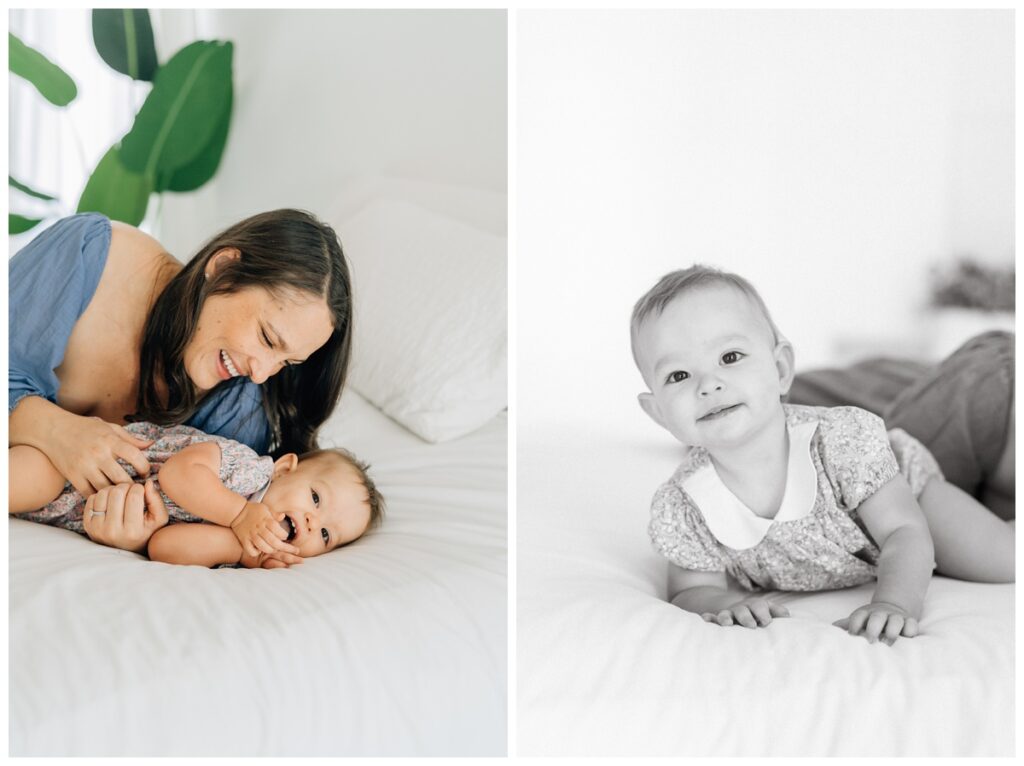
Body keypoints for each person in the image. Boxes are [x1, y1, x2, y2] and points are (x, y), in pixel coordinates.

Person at [630, 265, 1015, 646]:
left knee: (1004, 559)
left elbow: (904, 531)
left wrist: (894, 603)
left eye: (730, 357)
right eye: (678, 376)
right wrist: (722, 602)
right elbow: (690, 589)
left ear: (780, 369)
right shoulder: (685, 505)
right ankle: (994, 493)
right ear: (659, 413)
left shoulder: (838, 442)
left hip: (908, 498)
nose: (708, 384)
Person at [8, 210, 352, 556]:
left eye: (286, 363)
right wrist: (57, 430)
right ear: (223, 268)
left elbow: (195, 530)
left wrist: (136, 537)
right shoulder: (91, 254)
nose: (260, 373)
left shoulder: (236, 415)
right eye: (266, 337)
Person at [9, 421, 384, 568]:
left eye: (325, 535)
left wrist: (240, 548)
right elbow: (178, 475)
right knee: (31, 478)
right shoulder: (246, 470)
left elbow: (165, 547)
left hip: (75, 511)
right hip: (82, 465)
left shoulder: (240, 548)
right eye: (315, 499)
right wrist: (239, 516)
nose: (311, 521)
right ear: (284, 469)